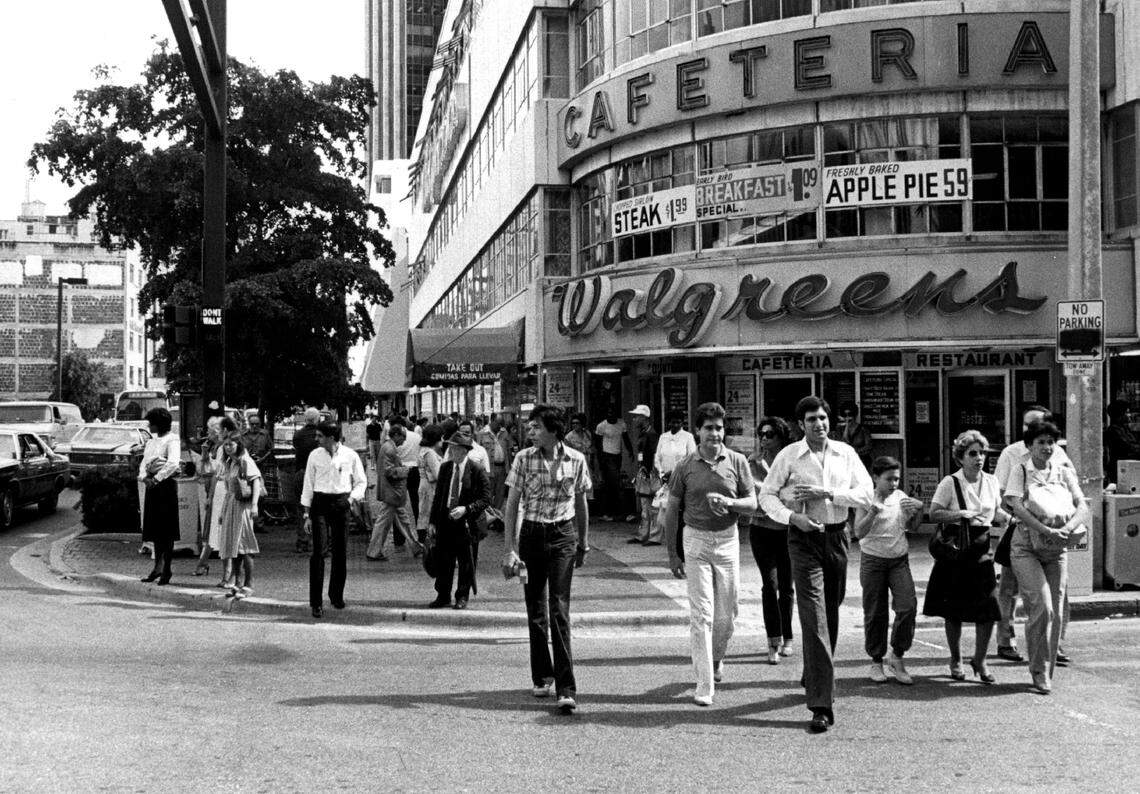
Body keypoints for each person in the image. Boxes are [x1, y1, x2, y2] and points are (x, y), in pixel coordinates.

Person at [759, 396, 872, 734]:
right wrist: (792, 517)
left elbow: (866, 494)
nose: (819, 424)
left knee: (832, 610)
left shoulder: (845, 454)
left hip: (837, 537)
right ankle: (821, 703)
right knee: (813, 614)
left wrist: (828, 494)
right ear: (800, 425)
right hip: (803, 539)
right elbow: (767, 496)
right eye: (811, 420)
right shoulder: (789, 456)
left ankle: (814, 671)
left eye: (823, 418)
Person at [663, 402, 757, 707]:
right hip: (696, 541)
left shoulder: (738, 462)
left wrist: (729, 504)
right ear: (698, 431)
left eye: (719, 428)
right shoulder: (685, 466)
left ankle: (716, 659)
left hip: (728, 541)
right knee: (701, 615)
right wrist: (673, 555)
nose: (715, 434)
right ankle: (704, 683)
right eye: (708, 428)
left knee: (727, 615)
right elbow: (673, 510)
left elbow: (752, 503)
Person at [501, 405, 591, 713]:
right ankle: (542, 674)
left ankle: (566, 687)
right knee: (535, 607)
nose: (531, 431)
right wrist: (510, 548)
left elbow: (581, 501)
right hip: (531, 536)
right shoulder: (523, 459)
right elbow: (512, 503)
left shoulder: (577, 460)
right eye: (530, 427)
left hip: (563, 537)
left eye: (536, 426)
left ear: (553, 430)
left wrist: (584, 542)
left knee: (559, 609)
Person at [1004, 419, 1090, 695]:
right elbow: (1016, 506)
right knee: (1042, 606)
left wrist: (1065, 529)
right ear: (1029, 447)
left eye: (1051, 442)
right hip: (1026, 546)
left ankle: (1044, 673)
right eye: (1040, 442)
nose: (1047, 447)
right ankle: (1038, 669)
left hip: (1057, 549)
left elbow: (1082, 506)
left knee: (1056, 609)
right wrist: (1045, 529)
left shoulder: (1064, 473)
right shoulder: (1020, 470)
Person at [922, 430, 1009, 685]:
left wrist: (1010, 519)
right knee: (954, 610)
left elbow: (996, 512)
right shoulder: (951, 482)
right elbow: (934, 513)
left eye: (982, 453)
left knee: (989, 609)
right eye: (973, 453)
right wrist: (959, 514)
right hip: (956, 551)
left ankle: (980, 659)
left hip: (982, 549)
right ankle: (956, 658)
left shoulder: (991, 482)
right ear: (961, 457)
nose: (979, 458)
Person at [993, 405, 1073, 664]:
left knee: (1057, 591)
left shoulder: (1058, 452)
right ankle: (1005, 639)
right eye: (1028, 425)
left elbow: (1070, 490)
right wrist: (1021, 513)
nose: (1033, 430)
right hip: (1020, 529)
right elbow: (1001, 493)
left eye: (1038, 424)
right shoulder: (1012, 454)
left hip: (1051, 534)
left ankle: (1055, 644)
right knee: (1009, 587)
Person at [853, 456, 923, 685]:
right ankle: (876, 660)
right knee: (875, 612)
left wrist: (918, 511)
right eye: (889, 479)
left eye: (897, 479)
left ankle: (897, 656)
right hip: (873, 560)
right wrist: (873, 511)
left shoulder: (901, 498)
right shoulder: (865, 498)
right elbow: (858, 533)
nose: (894, 484)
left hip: (898, 560)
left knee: (908, 606)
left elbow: (912, 527)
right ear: (875, 477)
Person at [301, 421, 367, 618]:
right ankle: (316, 601)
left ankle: (336, 595)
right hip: (320, 503)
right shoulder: (314, 455)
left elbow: (361, 481)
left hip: (341, 502)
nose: (316, 439)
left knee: (340, 551)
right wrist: (306, 514)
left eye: (320, 436)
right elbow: (308, 484)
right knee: (318, 552)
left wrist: (350, 500)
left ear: (331, 437)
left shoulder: (350, 455)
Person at [747, 416, 796, 664]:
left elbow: (791, 496)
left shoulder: (792, 461)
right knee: (770, 584)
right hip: (761, 528)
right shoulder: (752, 462)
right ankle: (772, 639)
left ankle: (788, 636)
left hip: (787, 529)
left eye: (770, 434)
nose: (765, 439)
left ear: (781, 437)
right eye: (762, 435)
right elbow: (750, 494)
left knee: (787, 586)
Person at [428, 431, 492, 610]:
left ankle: (462, 596)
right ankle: (442, 595)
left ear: (464, 451)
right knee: (444, 560)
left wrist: (467, 509)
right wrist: (432, 522)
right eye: (450, 449)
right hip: (446, 521)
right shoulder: (446, 468)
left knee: (466, 562)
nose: (450, 452)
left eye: (455, 450)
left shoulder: (476, 469)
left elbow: (486, 499)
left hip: (467, 524)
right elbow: (439, 496)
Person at [214, 435, 262, 599]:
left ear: (238, 444)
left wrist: (255, 505)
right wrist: (222, 511)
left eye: (231, 444)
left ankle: (249, 584)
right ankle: (237, 582)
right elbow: (228, 490)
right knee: (233, 545)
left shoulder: (245, 461)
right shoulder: (230, 463)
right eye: (225, 445)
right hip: (231, 505)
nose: (228, 447)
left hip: (243, 506)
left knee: (244, 544)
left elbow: (256, 481)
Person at [138, 407, 181, 585]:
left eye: (151, 423)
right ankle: (157, 567)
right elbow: (144, 463)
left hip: (165, 487)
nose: (149, 426)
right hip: (152, 487)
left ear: (159, 424)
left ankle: (167, 568)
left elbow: (172, 463)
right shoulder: (151, 442)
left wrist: (156, 478)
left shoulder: (172, 440)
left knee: (167, 531)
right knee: (155, 531)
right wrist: (143, 477)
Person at [367, 423, 423, 559]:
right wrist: (404, 471)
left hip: (393, 493)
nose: (404, 441)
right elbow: (388, 471)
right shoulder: (389, 449)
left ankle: (415, 546)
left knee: (403, 521)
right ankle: (373, 552)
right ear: (396, 435)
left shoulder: (389, 447)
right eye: (403, 437)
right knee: (383, 523)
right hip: (392, 493)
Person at [193, 416, 224, 577]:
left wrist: (210, 497)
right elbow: (206, 470)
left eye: (209, 431)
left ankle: (202, 563)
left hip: (219, 492)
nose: (207, 434)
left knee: (214, 529)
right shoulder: (215, 448)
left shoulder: (221, 449)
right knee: (214, 529)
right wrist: (205, 454)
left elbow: (215, 475)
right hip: (213, 489)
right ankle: (203, 563)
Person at [627, 405, 661, 545]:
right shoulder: (644, 434)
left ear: (644, 418)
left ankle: (653, 535)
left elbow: (652, 455)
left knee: (651, 506)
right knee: (645, 505)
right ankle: (643, 534)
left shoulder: (651, 435)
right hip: (644, 471)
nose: (634, 419)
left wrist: (647, 470)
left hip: (649, 473)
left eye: (637, 417)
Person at [594, 408, 634, 522]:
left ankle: (606, 512)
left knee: (609, 484)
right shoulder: (601, 426)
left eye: (613, 413)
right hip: (607, 456)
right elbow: (598, 444)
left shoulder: (621, 423)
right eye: (609, 413)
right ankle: (626, 513)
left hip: (617, 456)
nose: (611, 416)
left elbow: (625, 438)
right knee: (617, 482)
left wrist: (630, 450)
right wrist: (601, 461)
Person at [292, 407, 322, 553]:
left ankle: (302, 542)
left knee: (301, 507)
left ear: (305, 419)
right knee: (320, 507)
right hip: (318, 474)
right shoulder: (321, 435)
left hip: (301, 472)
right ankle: (319, 541)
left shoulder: (298, 435)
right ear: (317, 419)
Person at [655, 410, 697, 489]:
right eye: (673, 422)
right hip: (664, 480)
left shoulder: (688, 437)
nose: (676, 425)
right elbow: (657, 457)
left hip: (681, 480)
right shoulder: (663, 437)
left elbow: (692, 458)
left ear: (682, 423)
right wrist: (661, 473)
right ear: (669, 423)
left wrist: (675, 473)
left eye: (679, 422)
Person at [417, 425, 444, 541]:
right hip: (430, 487)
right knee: (428, 513)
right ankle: (428, 542)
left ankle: (425, 541)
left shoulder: (423, 450)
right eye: (441, 437)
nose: (442, 440)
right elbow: (438, 474)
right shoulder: (430, 453)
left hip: (424, 484)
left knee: (423, 512)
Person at [396, 417, 423, 530]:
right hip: (415, 470)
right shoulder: (417, 436)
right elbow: (421, 453)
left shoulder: (395, 439)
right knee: (416, 502)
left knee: (398, 504)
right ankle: (420, 529)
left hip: (400, 471)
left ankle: (399, 537)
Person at [1104, 399, 1140, 485]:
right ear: (1120, 415)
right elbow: (1129, 448)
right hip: (1121, 470)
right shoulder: (1114, 431)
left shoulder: (1125, 429)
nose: (1129, 415)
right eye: (1127, 413)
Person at [830, 401, 872, 469]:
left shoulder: (863, 429)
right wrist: (846, 427)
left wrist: (853, 452)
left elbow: (868, 447)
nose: (847, 418)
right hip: (844, 463)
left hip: (861, 462)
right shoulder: (840, 430)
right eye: (845, 415)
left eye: (850, 415)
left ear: (854, 415)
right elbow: (841, 444)